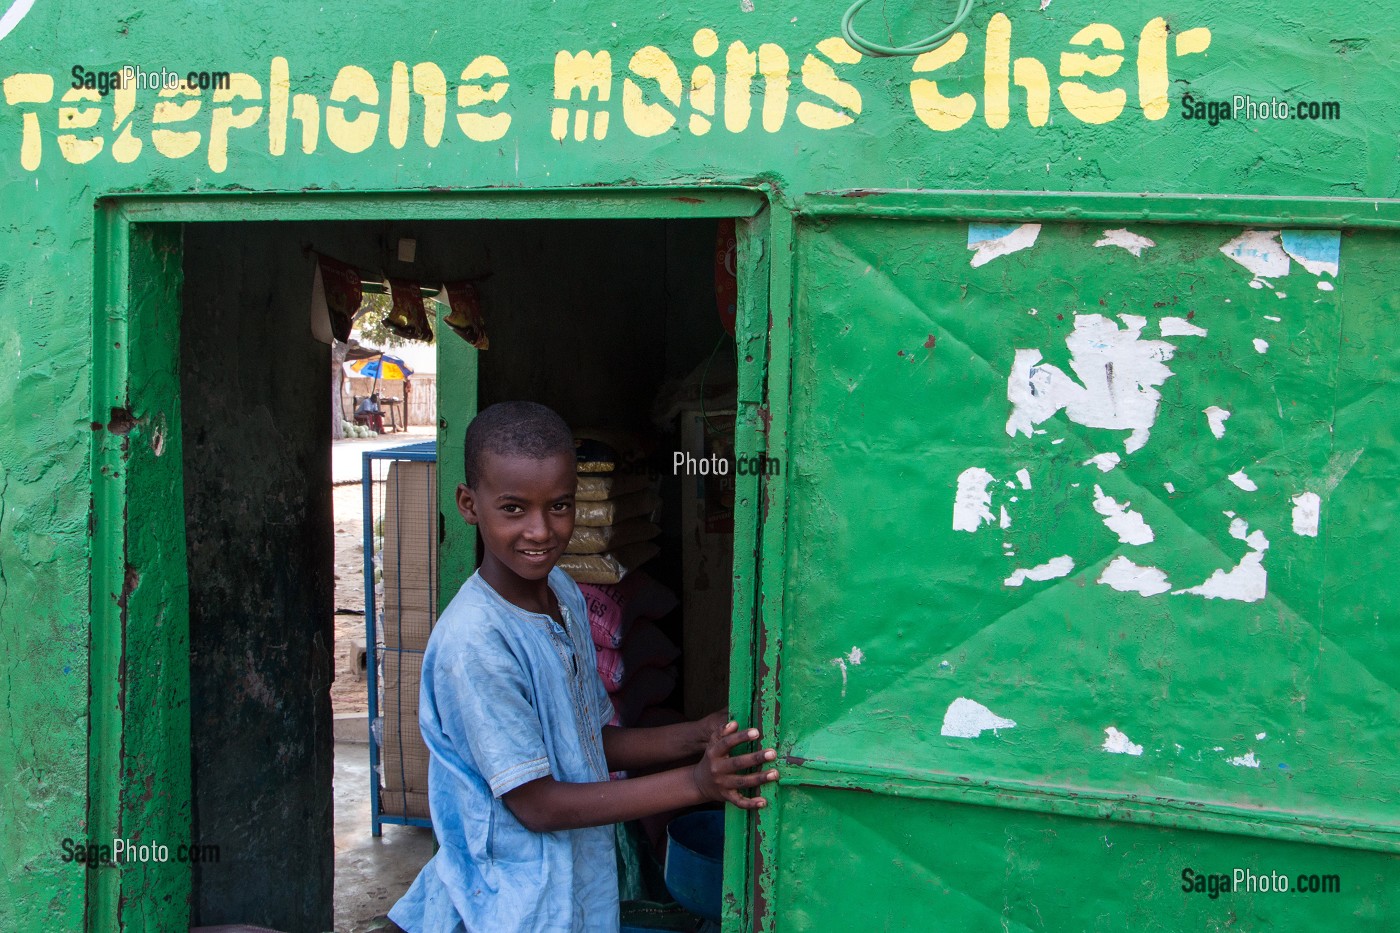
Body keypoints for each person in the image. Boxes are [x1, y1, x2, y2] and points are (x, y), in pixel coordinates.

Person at [388, 401, 778, 933]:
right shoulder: (475, 643)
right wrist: (697, 783)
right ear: (468, 504)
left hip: (569, 890)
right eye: (513, 509)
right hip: (506, 903)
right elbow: (539, 805)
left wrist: (699, 735)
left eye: (560, 506)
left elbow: (590, 739)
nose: (540, 531)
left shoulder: (564, 595)